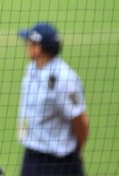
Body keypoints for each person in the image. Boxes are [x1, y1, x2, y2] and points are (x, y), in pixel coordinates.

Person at [17, 22, 90, 176]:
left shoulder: (64, 78)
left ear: (38, 48)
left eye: (29, 43)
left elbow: (80, 120)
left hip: (59, 162)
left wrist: (76, 152)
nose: (26, 45)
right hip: (32, 156)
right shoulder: (32, 69)